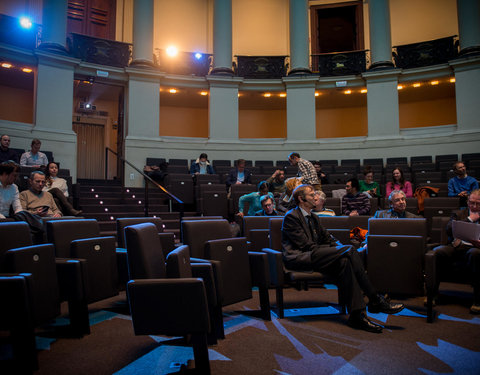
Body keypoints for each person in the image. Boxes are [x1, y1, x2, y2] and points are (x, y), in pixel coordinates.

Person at [282, 184, 404, 333]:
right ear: (301, 199)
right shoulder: (291, 217)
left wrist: (340, 249)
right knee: (349, 250)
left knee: (345, 260)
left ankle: (357, 315)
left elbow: (329, 238)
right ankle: (375, 299)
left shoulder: (313, 217)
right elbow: (307, 246)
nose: (316, 197)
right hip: (299, 258)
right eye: (312, 195)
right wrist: (339, 250)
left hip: (315, 255)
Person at [432, 189, 480, 314]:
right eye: (471, 203)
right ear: (468, 201)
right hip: (457, 247)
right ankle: (433, 294)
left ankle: (477, 300)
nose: (474, 206)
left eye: (478, 204)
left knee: (474, 254)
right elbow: (448, 228)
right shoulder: (459, 213)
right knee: (437, 252)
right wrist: (470, 219)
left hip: (476, 250)